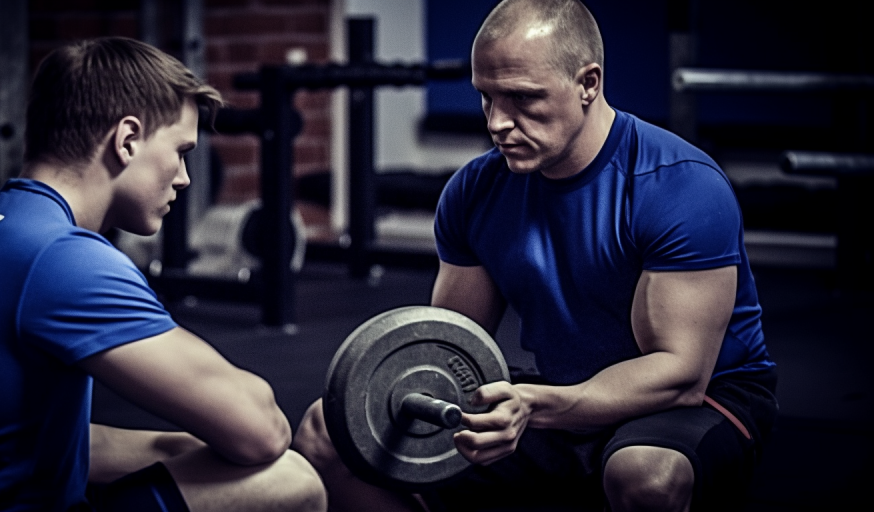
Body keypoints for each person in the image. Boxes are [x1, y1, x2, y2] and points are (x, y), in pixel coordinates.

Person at [292, 1, 778, 511]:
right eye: (487, 98)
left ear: (588, 83)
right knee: (329, 432)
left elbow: (679, 375)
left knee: (645, 476)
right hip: (560, 394)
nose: (498, 123)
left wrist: (534, 406)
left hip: (705, 399)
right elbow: (447, 344)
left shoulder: (679, 186)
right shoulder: (476, 190)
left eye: (523, 98)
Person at [0, 36, 326, 512]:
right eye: (180, 149)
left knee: (204, 454)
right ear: (127, 139)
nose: (185, 176)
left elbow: (30, 439)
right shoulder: (62, 258)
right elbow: (263, 430)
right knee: (291, 481)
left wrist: (179, 451)